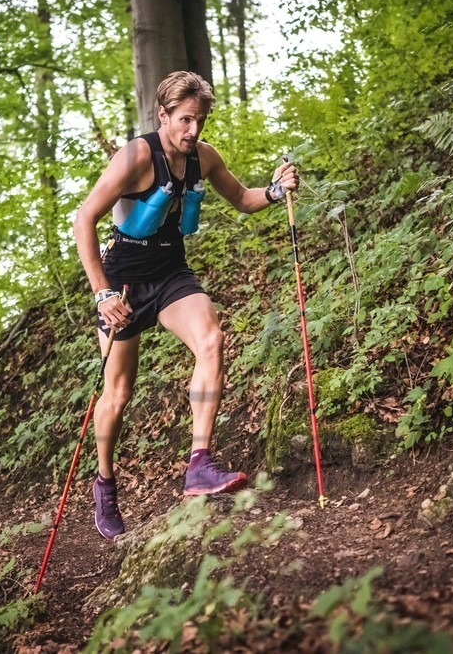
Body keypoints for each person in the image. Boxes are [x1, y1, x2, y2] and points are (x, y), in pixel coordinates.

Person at [72, 71, 298, 539]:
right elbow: (84, 219)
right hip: (124, 282)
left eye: (200, 120)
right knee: (118, 393)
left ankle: (199, 464)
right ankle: (105, 484)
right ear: (164, 116)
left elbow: (241, 198)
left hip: (171, 273)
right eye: (185, 120)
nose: (193, 131)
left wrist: (274, 191)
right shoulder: (136, 156)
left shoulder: (204, 157)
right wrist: (103, 292)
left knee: (211, 339)